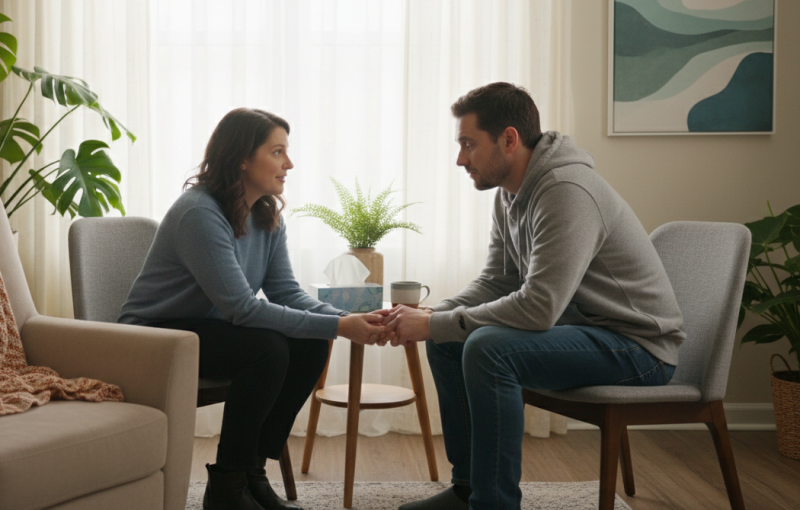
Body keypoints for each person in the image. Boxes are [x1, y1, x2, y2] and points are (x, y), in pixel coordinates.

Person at [378, 83, 685, 510]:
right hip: (584, 332)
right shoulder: (509, 192)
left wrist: (432, 322)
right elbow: (497, 280)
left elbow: (539, 307)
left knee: (487, 348)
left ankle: (494, 503)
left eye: (469, 144)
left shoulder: (566, 190)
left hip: (639, 347)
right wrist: (432, 315)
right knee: (448, 341)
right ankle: (468, 489)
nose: (460, 158)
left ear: (509, 139)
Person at [120, 108, 385, 510]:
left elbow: (286, 293)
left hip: (206, 330)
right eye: (278, 152)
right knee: (269, 348)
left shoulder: (266, 216)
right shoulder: (200, 213)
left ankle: (251, 473)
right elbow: (242, 309)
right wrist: (341, 325)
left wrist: (340, 321)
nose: (289, 164)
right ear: (242, 158)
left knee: (311, 343)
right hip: (156, 336)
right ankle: (227, 486)